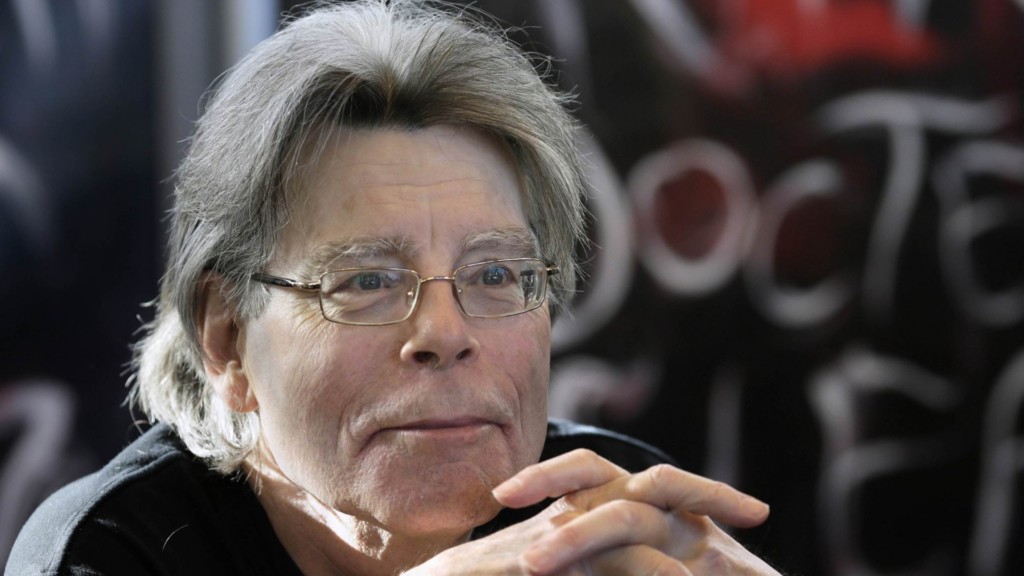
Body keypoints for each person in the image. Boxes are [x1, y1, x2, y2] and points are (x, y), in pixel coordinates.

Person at [7, 1, 781, 574]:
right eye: (368, 281)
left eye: (495, 274)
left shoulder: (609, 519)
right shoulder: (115, 551)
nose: (444, 333)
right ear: (227, 339)